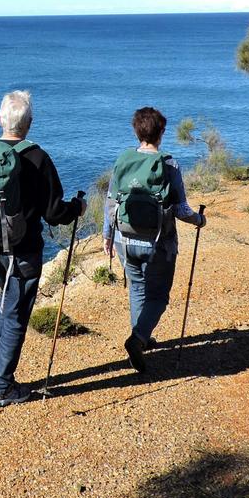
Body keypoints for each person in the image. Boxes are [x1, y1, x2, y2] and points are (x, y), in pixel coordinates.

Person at [0, 90, 85, 407]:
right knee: (16, 313)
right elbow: (55, 213)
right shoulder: (38, 157)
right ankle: (1, 388)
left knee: (6, 299)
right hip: (22, 251)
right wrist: (78, 209)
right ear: (29, 123)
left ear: (0, 119)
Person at [102, 106, 207, 375]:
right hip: (158, 243)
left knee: (137, 288)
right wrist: (199, 220)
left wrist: (107, 236)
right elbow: (182, 210)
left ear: (136, 131)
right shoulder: (169, 164)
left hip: (125, 240)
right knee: (158, 296)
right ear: (161, 133)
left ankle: (143, 336)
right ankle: (137, 340)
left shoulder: (123, 160)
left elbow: (111, 202)